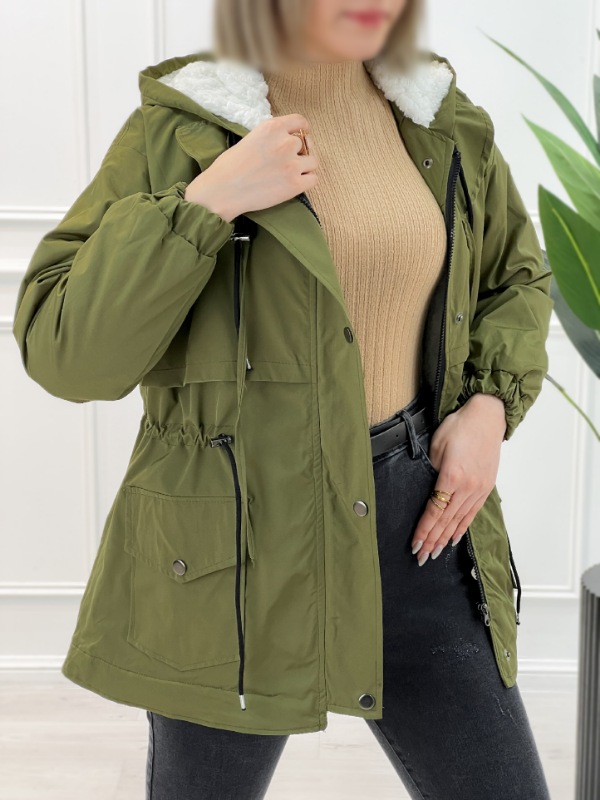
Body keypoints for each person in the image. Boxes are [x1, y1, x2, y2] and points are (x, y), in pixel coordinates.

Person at [12, 0, 555, 797]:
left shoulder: (441, 117)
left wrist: (489, 409)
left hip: (424, 525)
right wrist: (205, 204)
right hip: (239, 544)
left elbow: (517, 277)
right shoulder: (186, 128)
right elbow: (65, 350)